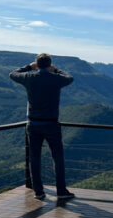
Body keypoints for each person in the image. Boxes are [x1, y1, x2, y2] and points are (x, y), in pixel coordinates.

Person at [9, 53, 75, 201]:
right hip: (51, 123)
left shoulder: (29, 78)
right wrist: (56, 70)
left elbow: (12, 74)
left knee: (34, 157)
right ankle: (61, 190)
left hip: (33, 124)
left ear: (37, 64)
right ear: (49, 64)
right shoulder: (56, 79)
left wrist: (28, 67)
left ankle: (38, 191)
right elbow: (70, 78)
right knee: (57, 157)